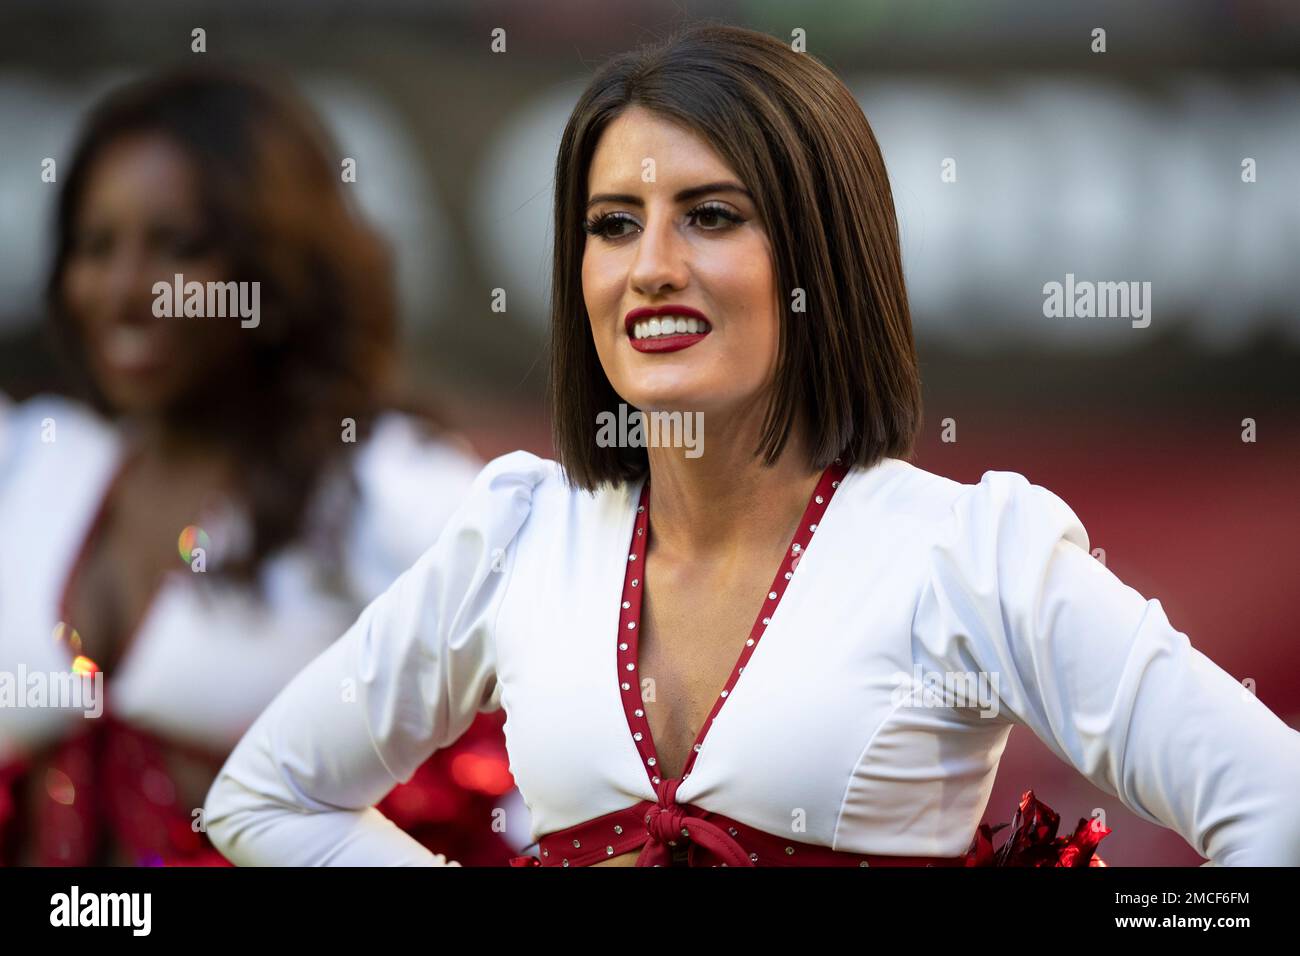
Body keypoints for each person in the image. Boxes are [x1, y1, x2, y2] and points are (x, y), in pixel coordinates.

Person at [202, 24, 1300, 867]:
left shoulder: (971, 553)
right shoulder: (519, 533)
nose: (651, 266)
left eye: (712, 215)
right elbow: (265, 795)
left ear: (820, 254)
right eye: (613, 223)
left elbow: (1277, 810)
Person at [0, 67, 522, 866]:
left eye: (178, 247)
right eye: (95, 246)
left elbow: (537, 795)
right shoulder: (33, 459)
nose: (123, 289)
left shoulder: (392, 492)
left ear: (274, 268)